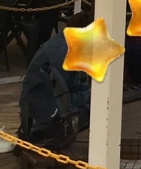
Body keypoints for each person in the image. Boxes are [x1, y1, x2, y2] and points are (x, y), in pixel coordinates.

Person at [18, 10, 93, 150]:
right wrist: (91, 95)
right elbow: (62, 99)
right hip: (42, 119)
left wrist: (90, 91)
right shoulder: (61, 52)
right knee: (97, 109)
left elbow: (71, 85)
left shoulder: (66, 44)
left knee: (94, 103)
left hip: (46, 108)